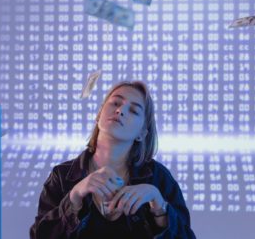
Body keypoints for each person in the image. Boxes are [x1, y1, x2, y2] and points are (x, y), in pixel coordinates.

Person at [30, 81, 196, 239]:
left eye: (134, 111)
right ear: (99, 114)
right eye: (116, 103)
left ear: (142, 133)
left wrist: (159, 207)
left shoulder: (158, 177)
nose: (120, 111)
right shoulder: (62, 176)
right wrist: (73, 198)